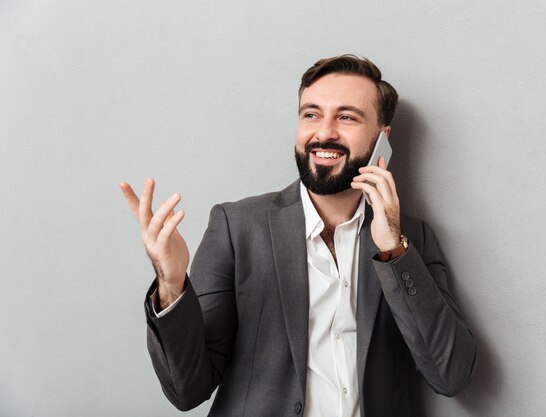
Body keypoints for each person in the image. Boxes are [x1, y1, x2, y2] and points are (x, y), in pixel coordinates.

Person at [120, 54, 476, 417]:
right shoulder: (237, 227)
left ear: (382, 138)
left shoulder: (411, 238)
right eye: (311, 114)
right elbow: (187, 391)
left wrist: (394, 252)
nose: (323, 132)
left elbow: (449, 376)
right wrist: (171, 283)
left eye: (347, 117)